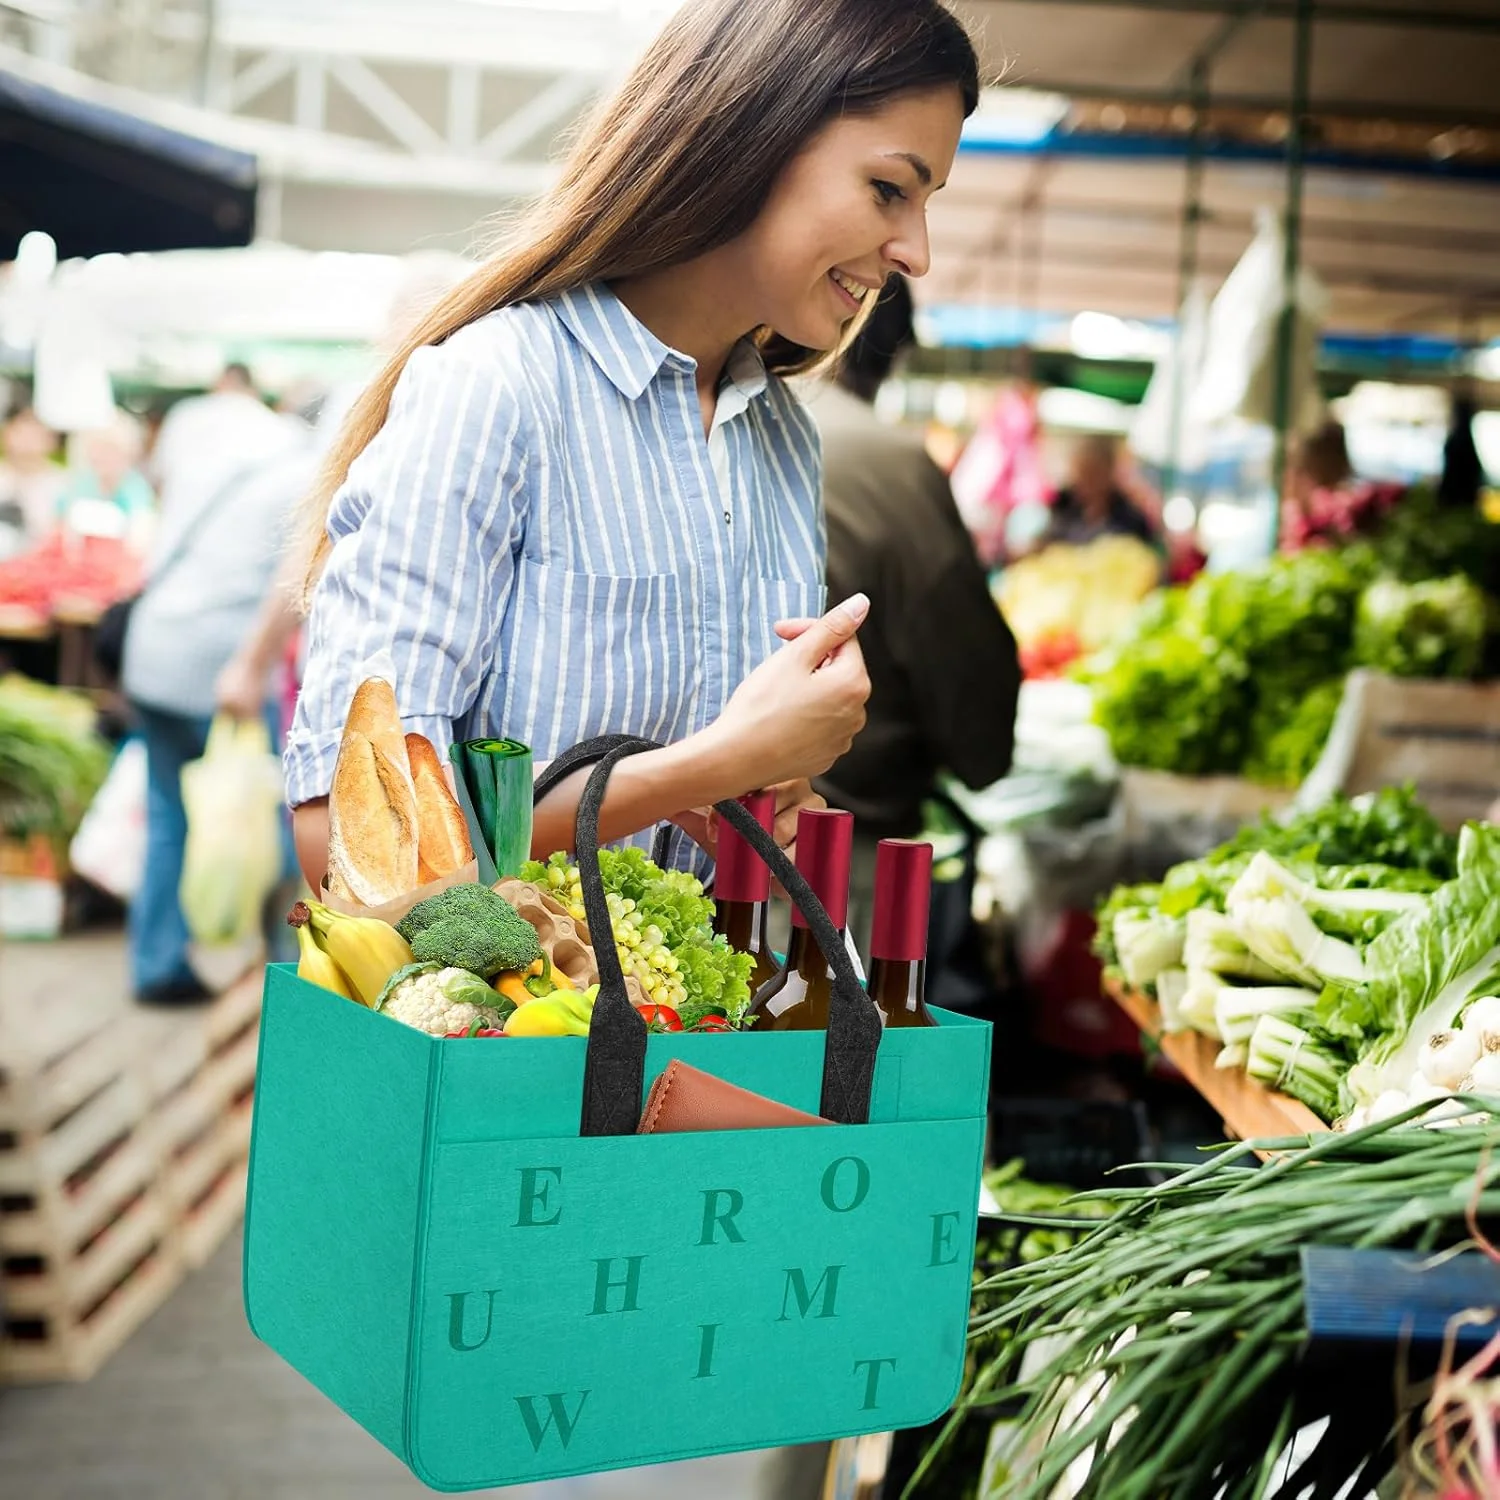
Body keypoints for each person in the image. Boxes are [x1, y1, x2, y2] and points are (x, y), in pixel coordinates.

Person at [286, 0, 980, 892]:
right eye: (890, 189)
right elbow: (346, 836)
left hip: (691, 1030)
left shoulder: (782, 438)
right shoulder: (497, 387)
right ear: (752, 134)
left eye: (926, 204)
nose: (916, 251)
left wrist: (775, 804)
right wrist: (713, 766)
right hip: (510, 1029)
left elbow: (719, 818)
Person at [802, 276, 1021, 961]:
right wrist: (982, 756)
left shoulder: (733, 414)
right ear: (892, 352)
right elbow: (965, 658)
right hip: (830, 857)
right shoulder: (888, 461)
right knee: (825, 1059)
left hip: (692, 830)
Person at [121, 368, 313, 1004]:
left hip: (152, 648)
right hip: (221, 663)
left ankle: (158, 965)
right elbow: (293, 577)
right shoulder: (298, 467)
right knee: (275, 817)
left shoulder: (193, 447)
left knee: (173, 815)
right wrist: (253, 664)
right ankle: (278, 971)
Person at [1035, 433, 1158, 551]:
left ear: (1108, 472)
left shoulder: (1130, 518)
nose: (1084, 482)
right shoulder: (1063, 508)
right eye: (1081, 474)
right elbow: (1047, 543)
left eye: (1092, 473)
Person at [0, 403, 65, 553]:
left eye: (36, 434)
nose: (27, 441)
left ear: (52, 440)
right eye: (21, 431)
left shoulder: (63, 484)